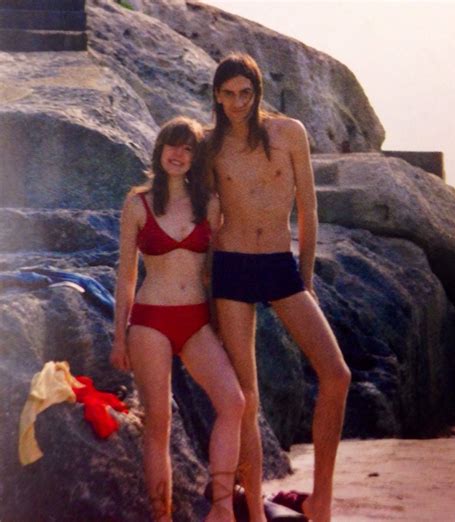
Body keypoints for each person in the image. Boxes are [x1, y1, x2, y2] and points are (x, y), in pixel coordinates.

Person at [207, 53, 351, 522]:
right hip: (231, 269)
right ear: (216, 95)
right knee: (245, 397)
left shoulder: (289, 133)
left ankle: (320, 502)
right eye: (227, 94)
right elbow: (210, 223)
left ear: (257, 92)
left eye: (244, 93)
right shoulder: (211, 145)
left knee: (337, 374)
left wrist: (305, 279)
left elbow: (308, 211)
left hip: (279, 264)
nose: (237, 103)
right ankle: (254, 508)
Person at [110, 117, 245, 522]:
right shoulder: (139, 203)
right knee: (159, 423)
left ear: (196, 157)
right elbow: (126, 275)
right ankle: (162, 516)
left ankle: (221, 508)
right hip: (150, 321)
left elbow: (218, 270)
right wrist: (120, 337)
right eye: (173, 144)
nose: (179, 154)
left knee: (233, 403)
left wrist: (225, 327)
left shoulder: (211, 204)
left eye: (188, 148)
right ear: (159, 149)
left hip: (197, 322)